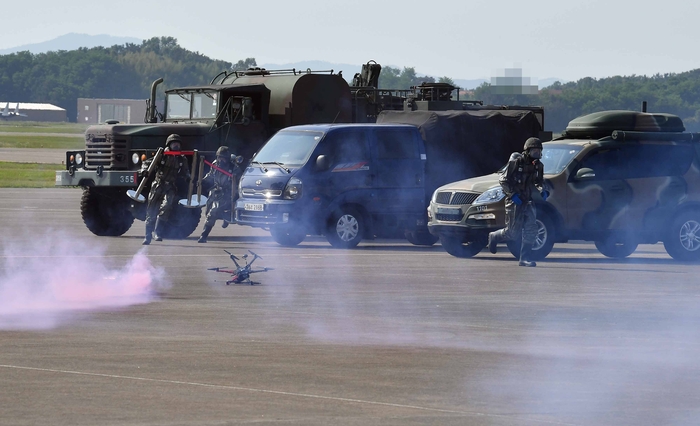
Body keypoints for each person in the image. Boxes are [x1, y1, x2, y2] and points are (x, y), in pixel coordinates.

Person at [487, 137, 548, 266]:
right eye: (534, 151)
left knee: (531, 229)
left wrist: (543, 190)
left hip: (528, 200)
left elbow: (539, 181)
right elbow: (503, 180)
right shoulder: (516, 162)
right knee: (513, 233)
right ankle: (494, 236)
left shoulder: (538, 165)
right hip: (514, 201)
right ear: (527, 151)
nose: (537, 154)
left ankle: (524, 258)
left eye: (539, 151)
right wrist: (513, 194)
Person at [142, 134, 191, 245]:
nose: (176, 145)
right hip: (158, 185)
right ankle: (147, 236)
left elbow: (186, 170)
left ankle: (158, 232)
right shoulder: (162, 155)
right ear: (169, 144)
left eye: (178, 143)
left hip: (170, 187)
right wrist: (144, 170)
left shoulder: (181, 158)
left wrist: (187, 177)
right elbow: (147, 163)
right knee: (151, 210)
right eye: (174, 143)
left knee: (167, 206)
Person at [197, 146, 242, 243]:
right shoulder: (215, 164)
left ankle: (203, 236)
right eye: (219, 157)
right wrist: (203, 181)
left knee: (212, 213)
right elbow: (211, 175)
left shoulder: (234, 168)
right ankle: (225, 216)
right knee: (208, 212)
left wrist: (236, 195)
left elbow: (239, 183)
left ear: (227, 158)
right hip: (215, 192)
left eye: (223, 158)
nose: (221, 160)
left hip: (227, 194)